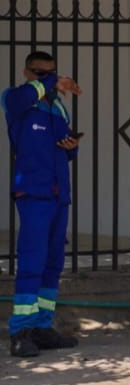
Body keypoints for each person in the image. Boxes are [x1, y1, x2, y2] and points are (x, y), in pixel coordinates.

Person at [4, 50, 83, 358]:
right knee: (32, 261)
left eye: (50, 72)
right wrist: (51, 82)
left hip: (59, 194)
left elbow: (64, 149)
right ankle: (20, 331)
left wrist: (71, 146)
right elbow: (17, 102)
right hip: (33, 193)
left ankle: (41, 327)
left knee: (52, 264)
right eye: (39, 73)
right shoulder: (16, 99)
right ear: (27, 73)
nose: (45, 78)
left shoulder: (58, 108)